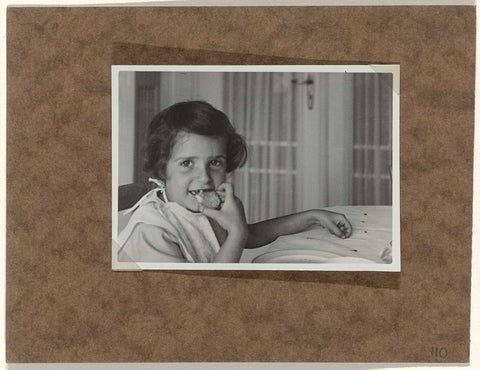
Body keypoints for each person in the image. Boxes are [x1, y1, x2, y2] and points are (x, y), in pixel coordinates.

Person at [118, 101, 352, 263]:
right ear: (162, 169)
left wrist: (311, 216)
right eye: (187, 163)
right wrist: (238, 233)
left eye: (215, 163)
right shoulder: (151, 233)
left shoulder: (206, 202)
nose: (204, 177)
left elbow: (248, 236)